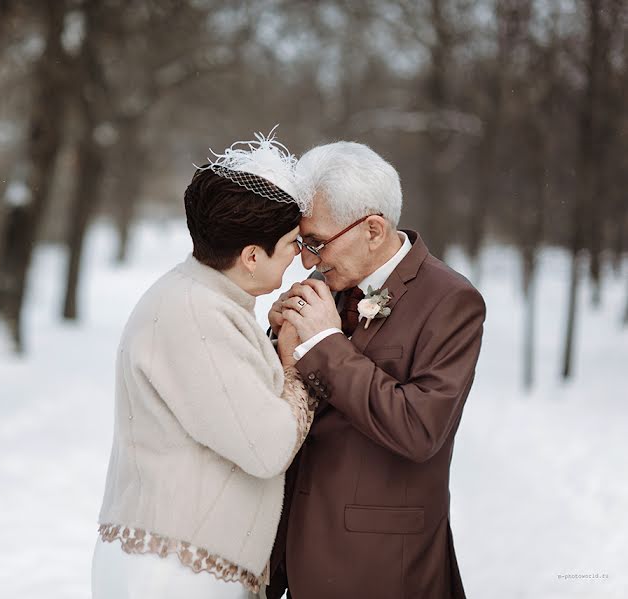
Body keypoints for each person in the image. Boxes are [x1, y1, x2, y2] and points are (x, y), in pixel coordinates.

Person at [92, 131, 317, 599]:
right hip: (173, 574)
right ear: (252, 255)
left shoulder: (207, 301)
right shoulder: (194, 314)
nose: (300, 256)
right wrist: (299, 363)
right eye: (293, 243)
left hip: (181, 565)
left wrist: (274, 344)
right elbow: (266, 447)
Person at [266, 142, 486, 599]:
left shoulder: (451, 302)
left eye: (318, 243)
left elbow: (419, 429)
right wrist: (279, 344)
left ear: (372, 229)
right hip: (295, 555)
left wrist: (323, 344)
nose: (307, 261)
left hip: (383, 569)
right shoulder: (326, 281)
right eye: (303, 242)